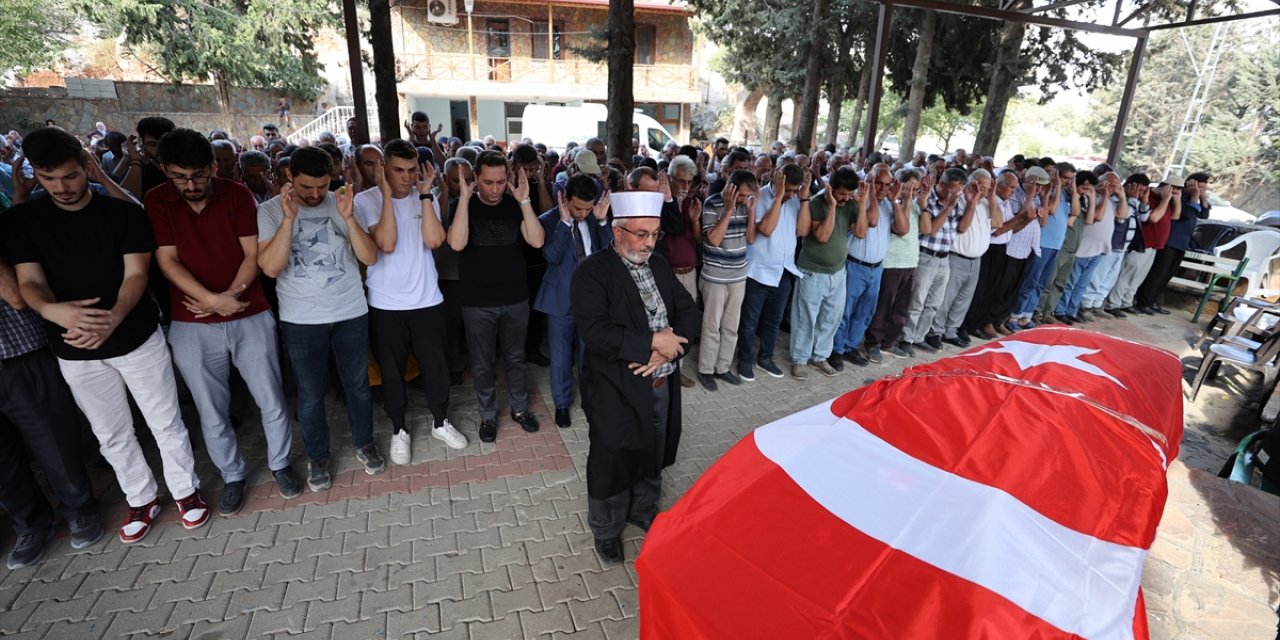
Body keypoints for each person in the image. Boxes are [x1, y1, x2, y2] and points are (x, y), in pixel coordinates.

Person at [1, 126, 206, 543]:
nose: (62, 187)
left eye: (71, 176)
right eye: (49, 178)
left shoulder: (123, 215)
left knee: (164, 421)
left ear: (86, 167)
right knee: (110, 432)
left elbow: (136, 274)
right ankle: (141, 497)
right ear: (35, 175)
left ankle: (186, 492)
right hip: (74, 348)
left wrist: (114, 316)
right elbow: (30, 283)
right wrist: (50, 309)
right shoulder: (24, 221)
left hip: (136, 337)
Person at [146, 129, 302, 512]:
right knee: (210, 408)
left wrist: (229, 297)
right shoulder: (157, 200)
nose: (190, 184)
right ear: (164, 170)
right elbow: (167, 260)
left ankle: (280, 463)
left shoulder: (235, 193)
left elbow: (253, 254)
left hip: (250, 313)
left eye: (198, 175)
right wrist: (211, 301)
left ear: (213, 167)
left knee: (271, 398)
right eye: (179, 176)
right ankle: (232, 474)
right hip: (191, 324)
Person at [570, 190, 697, 566]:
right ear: (617, 231)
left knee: (652, 450)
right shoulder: (591, 273)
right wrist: (651, 342)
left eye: (654, 234)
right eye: (640, 234)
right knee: (613, 455)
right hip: (615, 387)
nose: (648, 243)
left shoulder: (658, 265)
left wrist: (668, 349)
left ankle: (643, 510)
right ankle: (606, 529)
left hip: (661, 380)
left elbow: (688, 309)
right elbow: (595, 332)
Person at [258, 147, 383, 491]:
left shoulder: (343, 202)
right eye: (306, 188)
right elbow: (270, 267)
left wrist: (349, 218)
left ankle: (364, 442)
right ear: (289, 177)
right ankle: (318, 455)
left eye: (322, 186)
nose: (315, 195)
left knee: (358, 386)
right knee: (311, 394)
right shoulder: (269, 212)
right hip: (301, 320)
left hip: (350, 312)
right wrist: (288, 220)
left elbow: (370, 257)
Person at [356, 139, 469, 465]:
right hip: (386, 305)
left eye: (411, 170)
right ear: (383, 169)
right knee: (392, 372)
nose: (406, 177)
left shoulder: (427, 198)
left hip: (428, 300)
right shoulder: (367, 201)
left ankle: (439, 421)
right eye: (398, 170)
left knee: (436, 368)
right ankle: (399, 429)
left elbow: (434, 240)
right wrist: (388, 196)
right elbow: (386, 243)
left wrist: (423, 195)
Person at [0, 256, 102, 568]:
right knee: (2, 465)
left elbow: (16, 297)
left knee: (53, 440)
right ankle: (30, 525)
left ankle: (81, 510)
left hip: (17, 352)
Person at [446, 151, 546, 443]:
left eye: (501, 182)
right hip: (477, 301)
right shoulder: (461, 205)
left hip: (515, 297)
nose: (494, 189)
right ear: (476, 178)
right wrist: (465, 199)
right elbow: (456, 243)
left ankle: (519, 408)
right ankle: (488, 415)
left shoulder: (517, 204)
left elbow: (537, 240)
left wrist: (525, 200)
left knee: (516, 358)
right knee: (482, 362)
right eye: (488, 182)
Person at [534, 175, 613, 428]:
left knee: (589, 352)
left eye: (587, 208)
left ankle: (590, 399)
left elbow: (608, 253)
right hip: (560, 300)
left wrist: (601, 220)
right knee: (560, 354)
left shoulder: (594, 218)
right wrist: (565, 224)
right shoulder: (549, 220)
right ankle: (561, 403)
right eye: (578, 207)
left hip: (591, 301)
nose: (582, 213)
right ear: (564, 200)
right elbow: (551, 256)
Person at [737, 165, 809, 381]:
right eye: (788, 190)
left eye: (794, 191)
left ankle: (766, 358)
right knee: (750, 321)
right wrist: (778, 198)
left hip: (784, 271)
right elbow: (766, 229)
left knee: (773, 321)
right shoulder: (759, 196)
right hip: (757, 271)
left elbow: (803, 231)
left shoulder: (797, 199)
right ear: (778, 181)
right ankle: (745, 361)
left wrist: (804, 200)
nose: (790, 195)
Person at [790, 167, 860, 379]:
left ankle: (820, 356)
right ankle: (800, 359)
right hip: (813, 272)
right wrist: (832, 205)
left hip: (838, 273)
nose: (846, 199)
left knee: (831, 318)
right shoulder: (817, 203)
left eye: (849, 194)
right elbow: (822, 235)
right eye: (841, 194)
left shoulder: (851, 204)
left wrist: (863, 204)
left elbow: (862, 231)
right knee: (806, 318)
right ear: (831, 188)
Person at [834, 163, 905, 366]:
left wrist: (896, 202)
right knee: (845, 310)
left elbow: (902, 229)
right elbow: (871, 222)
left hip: (876, 268)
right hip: (854, 265)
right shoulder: (858, 198)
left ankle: (851, 346)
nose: (883, 188)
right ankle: (837, 349)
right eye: (878, 183)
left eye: (887, 184)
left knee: (864, 312)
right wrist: (872, 193)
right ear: (868, 180)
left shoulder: (889, 203)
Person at [696, 170, 756, 390]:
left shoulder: (746, 205)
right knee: (712, 326)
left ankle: (723, 367)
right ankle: (706, 369)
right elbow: (713, 240)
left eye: (747, 196)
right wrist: (729, 210)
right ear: (730, 187)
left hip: (739, 275)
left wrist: (750, 212)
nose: (743, 200)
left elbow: (750, 239)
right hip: (715, 277)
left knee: (731, 326)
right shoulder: (712, 204)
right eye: (741, 195)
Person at [903, 167, 969, 353]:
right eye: (955, 188)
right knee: (917, 301)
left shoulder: (957, 202)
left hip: (944, 258)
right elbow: (930, 230)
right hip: (926, 256)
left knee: (933, 303)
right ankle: (906, 337)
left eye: (960, 189)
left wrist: (967, 204)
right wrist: (947, 208)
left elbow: (962, 228)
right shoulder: (926, 199)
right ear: (942, 184)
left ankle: (919, 337)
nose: (958, 193)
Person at [933, 169, 995, 348]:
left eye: (987, 187)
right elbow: (962, 228)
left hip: (976, 260)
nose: (984, 190)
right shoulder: (960, 198)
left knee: (963, 300)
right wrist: (972, 202)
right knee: (946, 298)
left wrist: (989, 199)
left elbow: (998, 223)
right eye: (981, 186)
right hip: (956, 256)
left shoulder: (987, 203)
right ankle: (936, 331)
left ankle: (951, 331)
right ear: (972, 182)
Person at [1136, 172, 1210, 315]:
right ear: (1189, 184)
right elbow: (1185, 214)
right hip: (1170, 240)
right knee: (1159, 272)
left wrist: (1203, 197)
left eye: (1203, 188)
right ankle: (1143, 301)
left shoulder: (1195, 199)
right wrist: (1194, 197)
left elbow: (1204, 214)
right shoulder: (1178, 197)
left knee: (1168, 274)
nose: (1199, 190)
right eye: (1198, 187)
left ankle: (1152, 301)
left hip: (1182, 242)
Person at [1107, 177, 1178, 315]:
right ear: (1165, 186)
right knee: (1128, 273)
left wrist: (1171, 199)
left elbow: (1175, 216)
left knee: (1138, 276)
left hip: (1155, 244)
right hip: (1142, 241)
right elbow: (1153, 218)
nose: (1173, 193)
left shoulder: (1161, 199)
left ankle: (1126, 302)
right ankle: (1113, 303)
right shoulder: (1150, 196)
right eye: (1172, 189)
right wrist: (1165, 199)